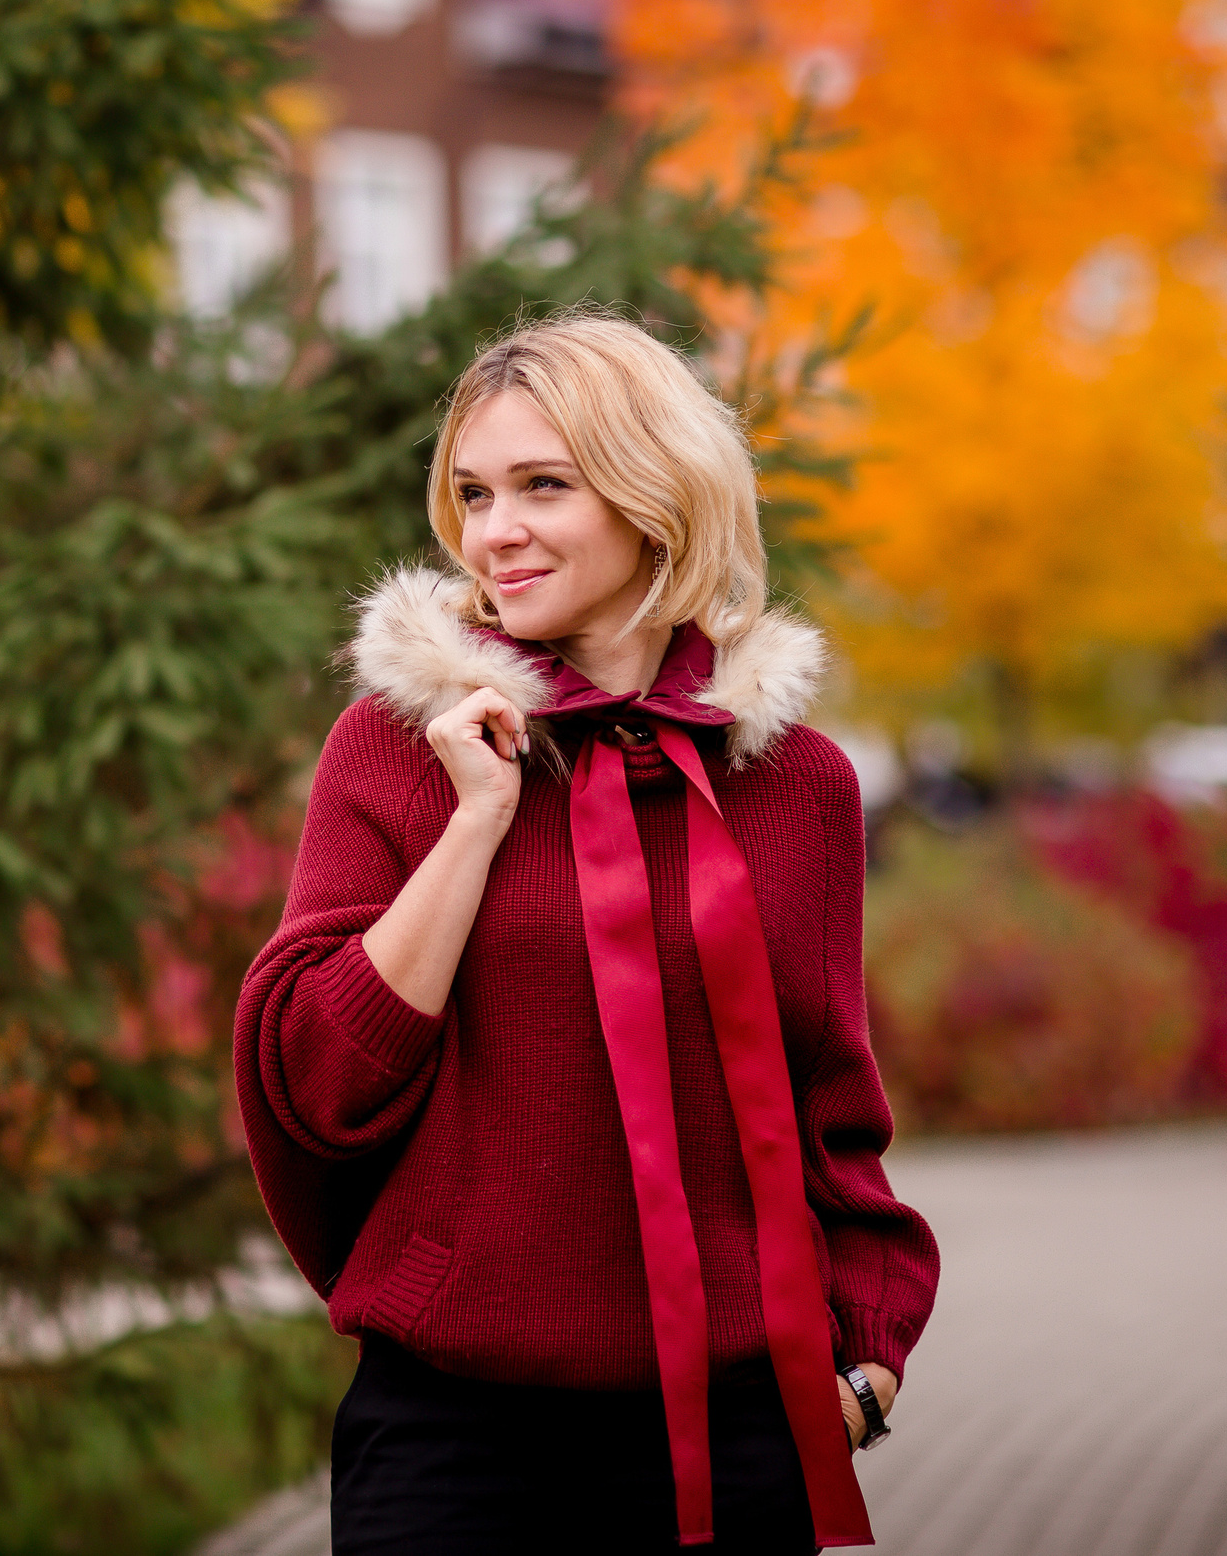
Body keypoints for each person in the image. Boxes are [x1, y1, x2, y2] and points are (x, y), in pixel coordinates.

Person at [234, 311, 938, 1554]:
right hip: (453, 1447)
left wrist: (869, 1361)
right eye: (472, 493)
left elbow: (832, 1107)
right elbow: (315, 1084)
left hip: (735, 1436)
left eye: (541, 486)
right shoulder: (398, 751)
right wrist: (475, 822)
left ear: (655, 492)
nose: (492, 532)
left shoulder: (799, 785)